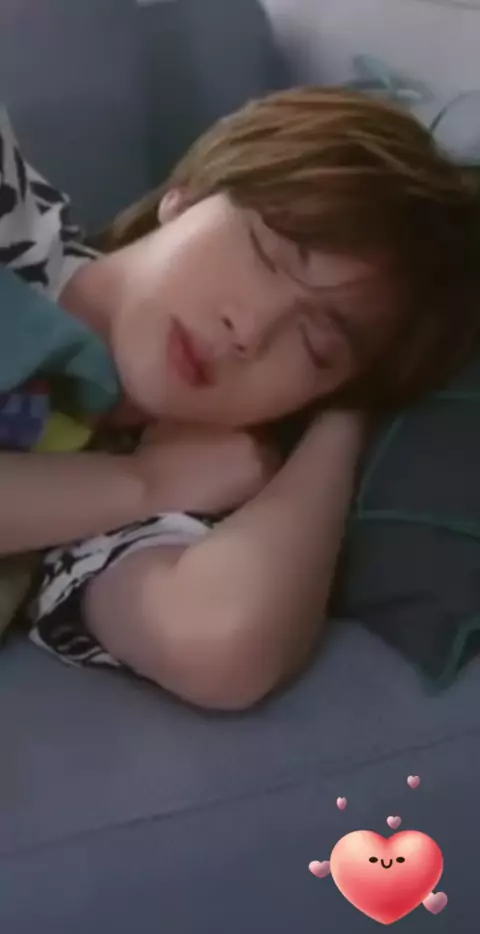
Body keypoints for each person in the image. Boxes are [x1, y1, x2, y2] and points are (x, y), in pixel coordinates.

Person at [1, 88, 479, 709]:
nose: (250, 331)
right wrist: (144, 482)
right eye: (267, 255)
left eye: (316, 347)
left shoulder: (153, 492)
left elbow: (218, 638)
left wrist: (349, 413)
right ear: (188, 195)